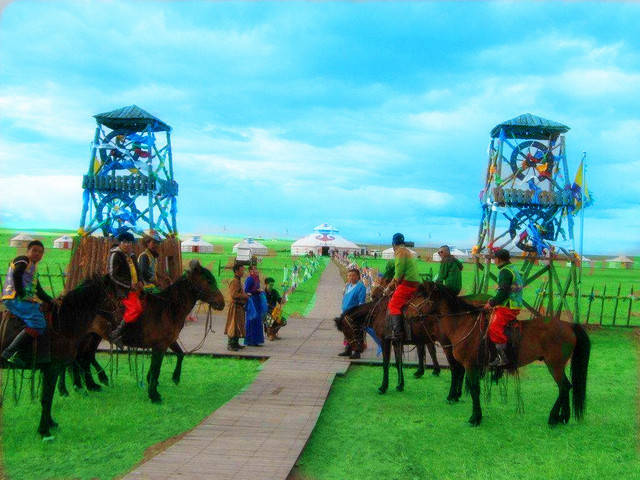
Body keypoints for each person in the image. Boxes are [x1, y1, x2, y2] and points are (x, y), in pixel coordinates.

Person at [1, 240, 53, 367]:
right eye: (34, 250)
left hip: (22, 299)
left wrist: (53, 301)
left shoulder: (33, 269)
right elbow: (17, 274)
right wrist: (22, 294)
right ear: (28, 251)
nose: (37, 253)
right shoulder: (23, 260)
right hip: (14, 298)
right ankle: (10, 353)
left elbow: (39, 291)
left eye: (40, 252)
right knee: (38, 322)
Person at [483, 249, 524, 367]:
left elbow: (503, 293)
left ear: (499, 259)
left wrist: (491, 303)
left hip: (509, 306)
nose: (494, 261)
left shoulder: (505, 272)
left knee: (493, 327)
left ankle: (503, 357)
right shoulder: (512, 268)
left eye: (494, 258)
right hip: (512, 303)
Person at [108, 232, 143, 349]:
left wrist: (141, 281)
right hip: (122, 290)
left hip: (135, 289)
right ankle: (116, 333)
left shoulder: (132, 256)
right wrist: (129, 285)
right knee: (136, 308)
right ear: (120, 243)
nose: (127, 245)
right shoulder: (116, 255)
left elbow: (138, 271)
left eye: (130, 243)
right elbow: (113, 275)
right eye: (125, 242)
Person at [384, 233, 420, 342]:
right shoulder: (408, 252)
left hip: (407, 284)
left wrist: (388, 288)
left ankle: (398, 334)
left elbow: (398, 274)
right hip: (416, 283)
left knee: (393, 305)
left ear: (393, 244)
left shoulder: (400, 252)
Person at [338, 264, 367, 359]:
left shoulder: (361, 287)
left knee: (356, 333)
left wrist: (359, 314)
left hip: (355, 314)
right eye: (349, 275)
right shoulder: (348, 286)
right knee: (347, 332)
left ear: (358, 276)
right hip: (346, 313)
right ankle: (348, 350)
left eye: (353, 275)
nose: (351, 277)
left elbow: (361, 302)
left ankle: (357, 352)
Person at [225, 263, 249, 351]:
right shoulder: (234, 281)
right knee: (233, 325)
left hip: (239, 307)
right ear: (236, 271)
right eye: (242, 270)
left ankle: (235, 343)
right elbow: (234, 294)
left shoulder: (238, 281)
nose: (243, 272)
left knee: (238, 325)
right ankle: (230, 344)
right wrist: (245, 296)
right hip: (235, 307)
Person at [244, 264, 265, 347]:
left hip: (257, 301)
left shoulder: (257, 279)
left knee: (257, 321)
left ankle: (256, 340)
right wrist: (256, 291)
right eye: (254, 269)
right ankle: (250, 340)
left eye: (256, 269)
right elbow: (246, 291)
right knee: (252, 320)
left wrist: (259, 291)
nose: (256, 270)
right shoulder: (249, 279)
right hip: (252, 301)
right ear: (251, 271)